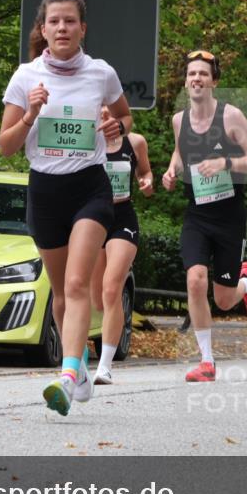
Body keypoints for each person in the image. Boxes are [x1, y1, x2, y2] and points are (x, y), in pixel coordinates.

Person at [0, 0, 132, 415]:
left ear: (82, 28)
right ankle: (78, 365)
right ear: (43, 28)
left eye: (69, 21)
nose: (61, 28)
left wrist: (117, 129)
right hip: (45, 191)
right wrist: (32, 114)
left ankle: (68, 374)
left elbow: (124, 117)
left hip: (90, 187)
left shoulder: (101, 73)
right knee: (60, 291)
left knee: (78, 284)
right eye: (54, 21)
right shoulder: (25, 77)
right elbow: (5, 146)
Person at [161, 49, 247, 383]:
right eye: (192, 73)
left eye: (203, 74)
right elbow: (180, 152)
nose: (196, 79)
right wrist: (170, 171)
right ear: (186, 80)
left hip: (229, 216)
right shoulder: (179, 120)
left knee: (223, 300)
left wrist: (226, 163)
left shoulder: (231, 117)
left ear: (214, 81)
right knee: (195, 279)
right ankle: (207, 361)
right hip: (197, 215)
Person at [91, 107, 154, 384]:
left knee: (111, 287)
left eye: (110, 111)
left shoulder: (135, 142)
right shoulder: (88, 142)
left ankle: (104, 366)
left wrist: (147, 182)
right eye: (100, 111)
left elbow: (146, 173)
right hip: (93, 221)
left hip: (123, 220)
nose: (105, 116)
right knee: (97, 299)